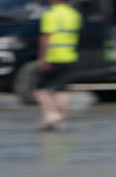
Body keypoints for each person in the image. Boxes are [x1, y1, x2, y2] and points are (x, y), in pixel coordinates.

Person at [33, 0, 82, 130]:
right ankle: (61, 117)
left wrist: (42, 58)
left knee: (39, 88)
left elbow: (46, 37)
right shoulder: (74, 14)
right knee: (62, 88)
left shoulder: (51, 14)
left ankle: (51, 114)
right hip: (70, 55)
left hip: (53, 56)